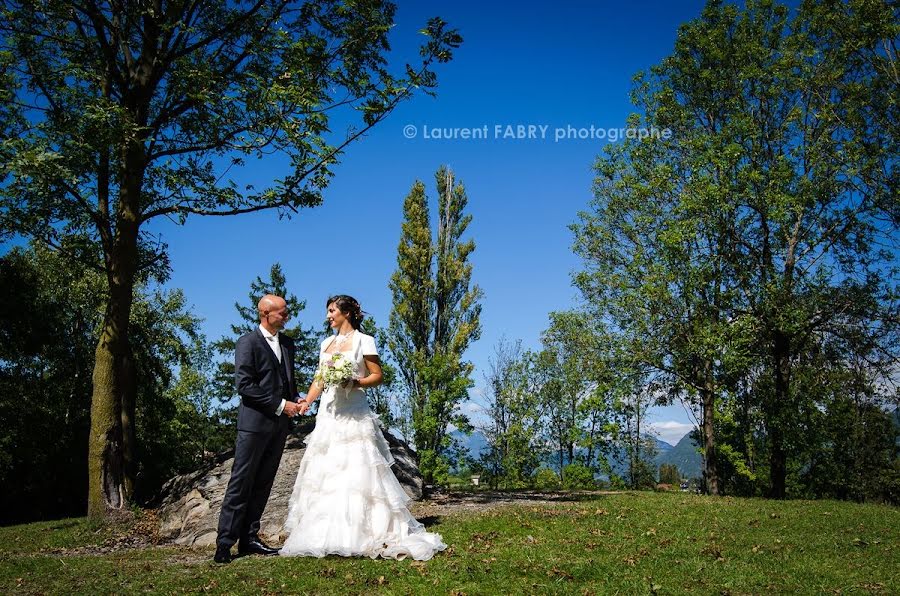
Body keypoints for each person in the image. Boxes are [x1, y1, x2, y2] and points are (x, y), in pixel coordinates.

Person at [280, 295, 447, 561]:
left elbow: (377, 375)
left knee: (358, 467)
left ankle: (363, 531)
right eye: (328, 312)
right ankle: (325, 532)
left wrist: (355, 382)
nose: (328, 316)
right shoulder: (326, 343)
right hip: (330, 411)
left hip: (354, 411)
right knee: (328, 468)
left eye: (332, 311)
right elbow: (319, 378)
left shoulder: (364, 340)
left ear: (346, 313)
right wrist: (307, 402)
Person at [214, 294, 304, 564]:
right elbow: (245, 386)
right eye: (282, 313)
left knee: (264, 483)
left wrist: (296, 398)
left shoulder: (287, 344)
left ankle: (249, 539)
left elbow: (286, 381)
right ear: (266, 313)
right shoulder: (247, 343)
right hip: (253, 426)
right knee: (240, 483)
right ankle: (224, 544)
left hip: (279, 427)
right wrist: (280, 405)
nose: (287, 316)